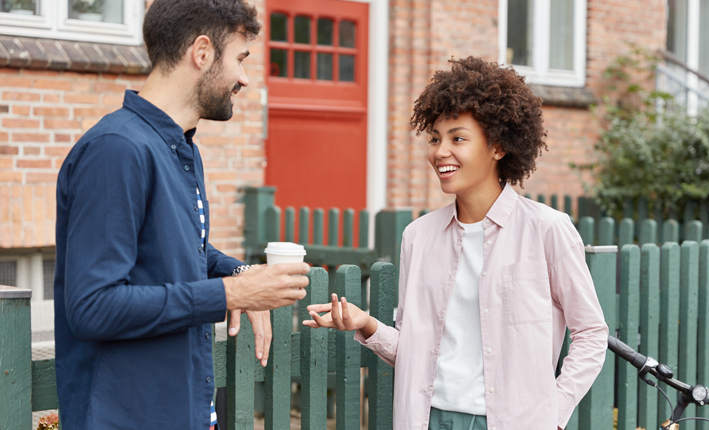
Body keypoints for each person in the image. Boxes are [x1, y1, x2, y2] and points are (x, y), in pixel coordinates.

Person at [304, 57, 609, 429]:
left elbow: (591, 333)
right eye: (435, 138)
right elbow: (417, 355)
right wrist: (366, 324)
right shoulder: (418, 236)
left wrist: (552, 413)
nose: (440, 152)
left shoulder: (548, 230)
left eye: (458, 138)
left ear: (498, 146)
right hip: (427, 419)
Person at [53, 1, 309, 428]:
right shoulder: (116, 150)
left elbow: (175, 245)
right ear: (203, 52)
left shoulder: (181, 148)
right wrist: (229, 295)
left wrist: (241, 274)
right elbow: (92, 307)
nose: (244, 79)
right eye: (240, 60)